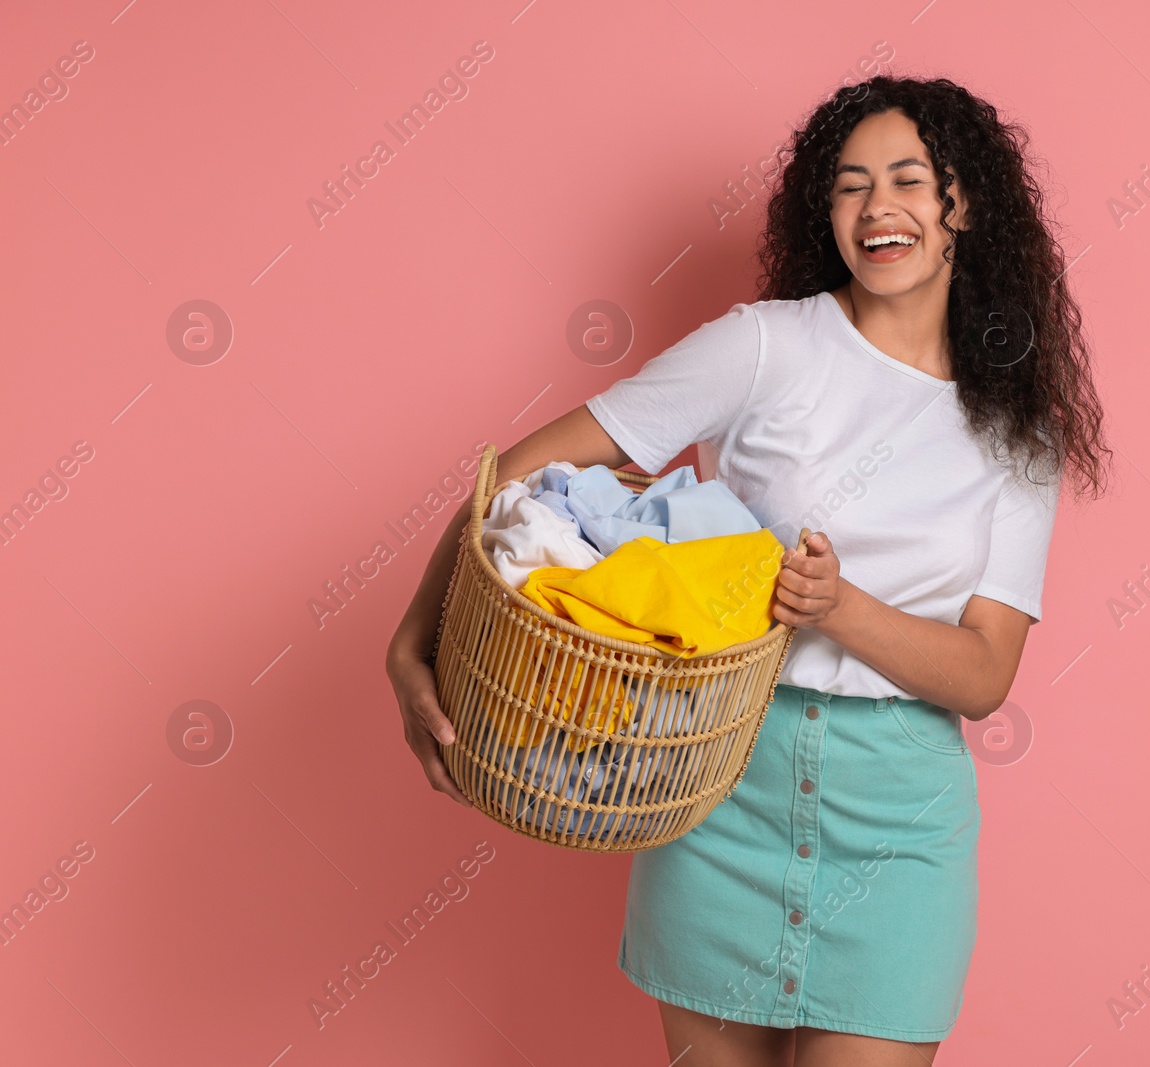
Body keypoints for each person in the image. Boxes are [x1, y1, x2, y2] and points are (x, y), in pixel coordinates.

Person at [387, 74, 1111, 1066]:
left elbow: (985, 673)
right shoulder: (768, 346)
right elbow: (521, 473)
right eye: (849, 185)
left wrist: (838, 606)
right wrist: (414, 633)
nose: (876, 207)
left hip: (901, 825)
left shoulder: (1019, 437)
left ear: (965, 205)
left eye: (908, 178)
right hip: (719, 774)